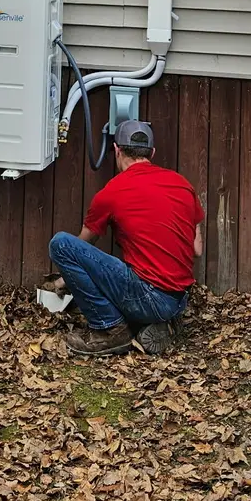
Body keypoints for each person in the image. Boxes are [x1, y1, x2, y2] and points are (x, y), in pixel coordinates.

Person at [48, 119, 204, 356]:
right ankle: (160, 322)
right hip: (178, 300)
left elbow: (81, 246)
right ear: (152, 152)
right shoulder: (183, 185)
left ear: (116, 150)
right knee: (144, 285)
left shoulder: (112, 191)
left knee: (61, 244)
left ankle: (109, 330)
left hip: (147, 296)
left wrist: (64, 280)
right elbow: (197, 249)